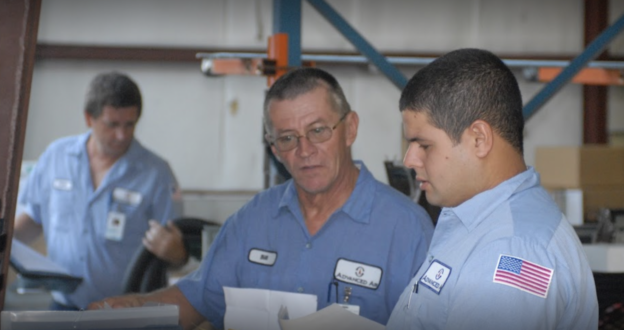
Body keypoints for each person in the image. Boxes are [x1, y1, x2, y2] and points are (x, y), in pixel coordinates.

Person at [88, 67, 434, 329]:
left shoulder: (405, 230)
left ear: (350, 128)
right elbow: (199, 298)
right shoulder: (253, 220)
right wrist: (129, 308)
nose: (305, 151)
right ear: (274, 148)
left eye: (317, 130)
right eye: (287, 138)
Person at [386, 48, 598, 330]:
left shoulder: (511, 250)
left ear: (479, 139)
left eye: (424, 145)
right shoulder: (478, 224)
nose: (409, 160)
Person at [14, 72, 188, 310]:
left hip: (126, 313)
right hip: (64, 308)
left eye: (130, 124)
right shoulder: (56, 158)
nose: (122, 135)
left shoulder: (156, 174)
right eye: (112, 124)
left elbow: (176, 251)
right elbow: (34, 220)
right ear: (89, 118)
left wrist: (177, 253)